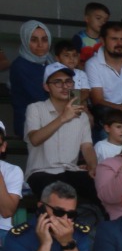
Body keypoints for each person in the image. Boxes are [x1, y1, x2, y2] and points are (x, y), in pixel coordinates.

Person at [23, 62, 98, 202]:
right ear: (46, 87)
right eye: (57, 82)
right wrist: (63, 118)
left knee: (95, 192)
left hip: (71, 171)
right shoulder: (35, 108)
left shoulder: (81, 115)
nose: (64, 86)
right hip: (41, 172)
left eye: (68, 81)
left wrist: (93, 167)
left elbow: (87, 147)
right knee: (56, 196)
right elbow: (35, 139)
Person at [10, 21, 54, 117]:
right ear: (25, 40)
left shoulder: (50, 60)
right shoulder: (20, 66)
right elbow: (39, 97)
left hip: (52, 117)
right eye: (34, 40)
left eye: (44, 40)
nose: (40, 45)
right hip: (30, 122)